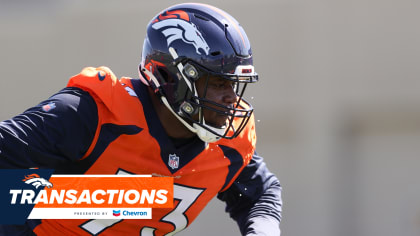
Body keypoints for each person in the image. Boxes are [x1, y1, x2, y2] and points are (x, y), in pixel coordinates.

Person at [0, 3, 282, 235]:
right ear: (169, 78)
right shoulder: (95, 113)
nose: (232, 99)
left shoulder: (229, 143)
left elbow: (259, 193)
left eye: (234, 84)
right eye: (219, 83)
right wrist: (51, 200)